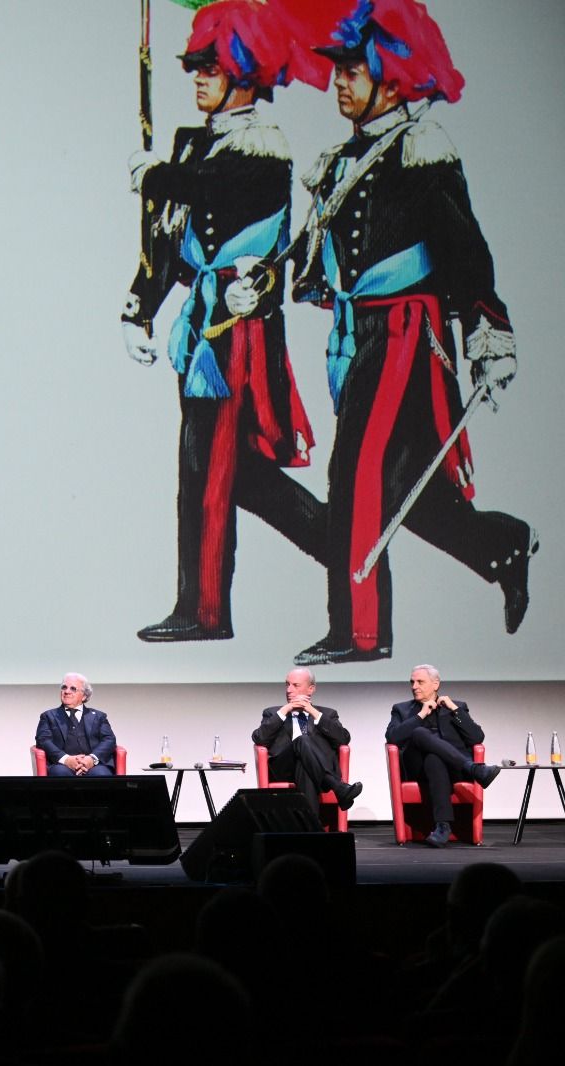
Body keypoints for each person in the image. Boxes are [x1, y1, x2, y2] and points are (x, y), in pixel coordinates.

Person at [287, 0, 535, 665]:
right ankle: (503, 545)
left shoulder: (422, 150)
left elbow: (465, 249)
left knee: (357, 473)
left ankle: (360, 632)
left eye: (353, 71)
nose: (339, 83)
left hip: (405, 334)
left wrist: (488, 329)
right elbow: (323, 254)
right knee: (412, 491)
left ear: (394, 80)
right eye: (337, 70)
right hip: (361, 334)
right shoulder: (342, 160)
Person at [123, 0, 330, 644]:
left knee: (210, 468)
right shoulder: (195, 144)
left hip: (238, 332)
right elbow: (168, 241)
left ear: (245, 75)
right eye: (196, 68)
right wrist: (139, 307)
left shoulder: (262, 146)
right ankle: (342, 545)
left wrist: (157, 176)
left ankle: (205, 611)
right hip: (202, 328)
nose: (198, 79)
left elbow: (211, 191)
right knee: (219, 469)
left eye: (211, 68)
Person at [386, 664, 499, 847]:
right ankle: (473, 768)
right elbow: (393, 737)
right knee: (419, 733)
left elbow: (476, 737)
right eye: (412, 682)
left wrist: (454, 709)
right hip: (418, 768)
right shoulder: (402, 709)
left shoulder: (457, 707)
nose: (414, 686)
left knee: (434, 759)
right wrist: (420, 715)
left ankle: (442, 827)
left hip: (452, 769)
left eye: (420, 682)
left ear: (436, 684)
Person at [251, 666, 362, 820]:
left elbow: (343, 739)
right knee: (302, 740)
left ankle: (309, 827)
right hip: (284, 769)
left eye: (295, 685)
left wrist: (313, 712)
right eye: (287, 685)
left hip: (315, 769)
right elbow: (260, 738)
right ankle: (337, 787)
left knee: (305, 766)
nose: (289, 690)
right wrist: (286, 709)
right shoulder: (273, 713)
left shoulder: (327, 714)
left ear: (311, 689)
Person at [35, 673, 118, 777]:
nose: (66, 691)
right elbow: (43, 740)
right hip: (61, 765)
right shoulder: (48, 716)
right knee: (60, 773)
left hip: (94, 765)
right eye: (64, 687)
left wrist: (91, 759)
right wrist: (66, 759)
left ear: (84, 696)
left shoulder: (99, 716)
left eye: (73, 688)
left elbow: (109, 740)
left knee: (101, 774)